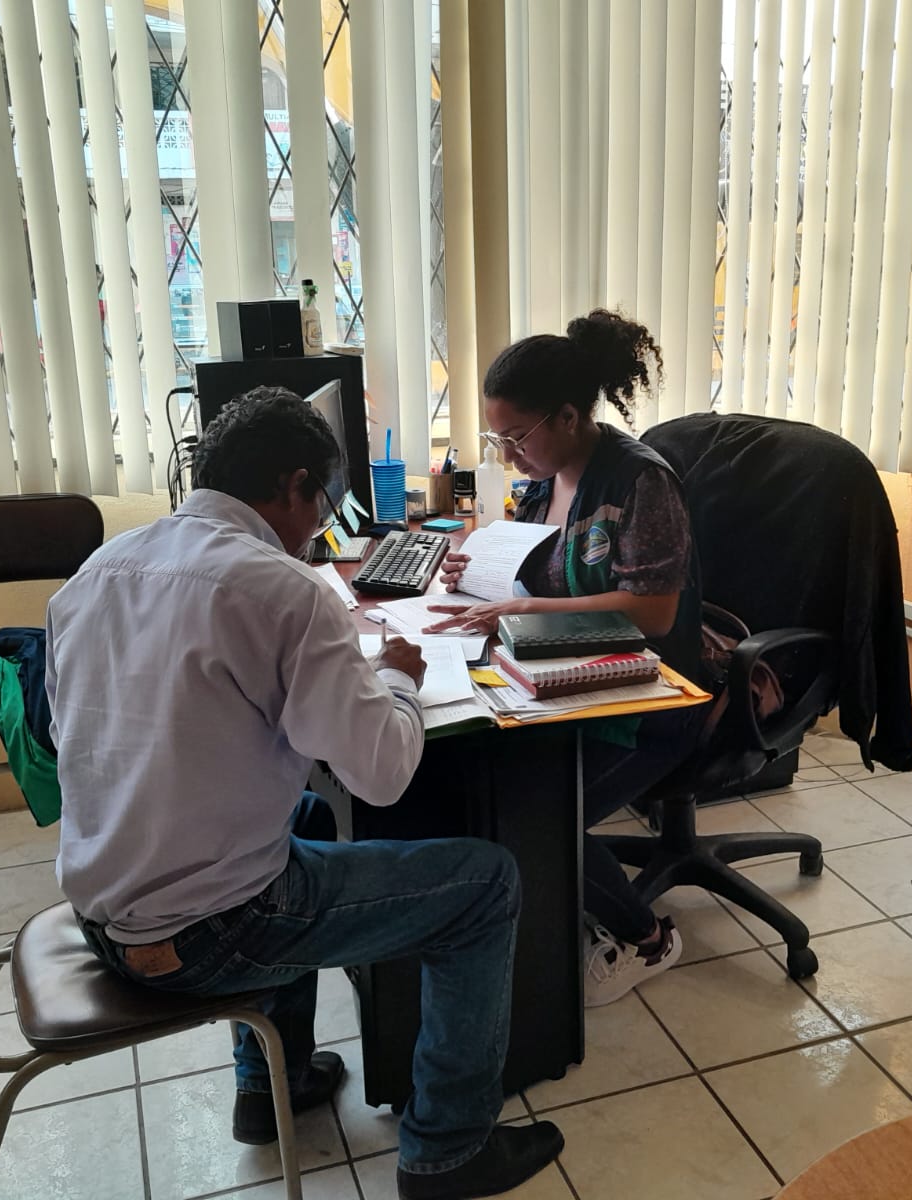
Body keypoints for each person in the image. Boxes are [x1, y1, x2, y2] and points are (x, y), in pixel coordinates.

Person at [46, 387, 562, 1199]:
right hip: (211, 933)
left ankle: (271, 1084)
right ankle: (449, 1151)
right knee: (485, 886)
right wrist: (395, 680)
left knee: (311, 815)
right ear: (293, 485)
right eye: (322, 500)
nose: (320, 522)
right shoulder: (281, 589)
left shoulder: (97, 571)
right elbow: (383, 775)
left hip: (102, 912)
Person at [424, 310, 705, 1008]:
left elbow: (653, 613)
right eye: (499, 438)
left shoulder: (640, 483)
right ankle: (557, 901)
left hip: (649, 700)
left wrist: (521, 610)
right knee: (489, 782)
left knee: (541, 812)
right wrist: (477, 570)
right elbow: (538, 570)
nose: (509, 454)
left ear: (571, 417)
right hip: (563, 681)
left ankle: (647, 938)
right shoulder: (547, 481)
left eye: (517, 436)